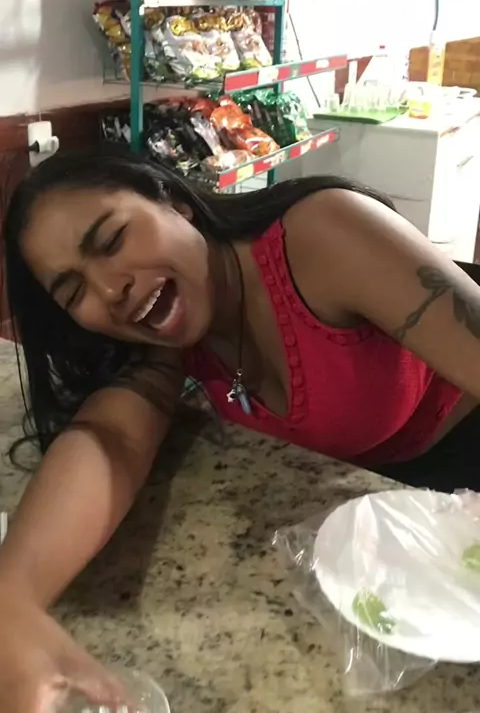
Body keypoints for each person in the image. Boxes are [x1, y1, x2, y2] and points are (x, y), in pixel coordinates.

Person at [2, 145, 480, 712]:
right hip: (371, 513)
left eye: (111, 241)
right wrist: (12, 600)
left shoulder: (325, 235)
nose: (110, 290)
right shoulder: (169, 337)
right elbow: (111, 439)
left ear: (174, 201)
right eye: (75, 291)